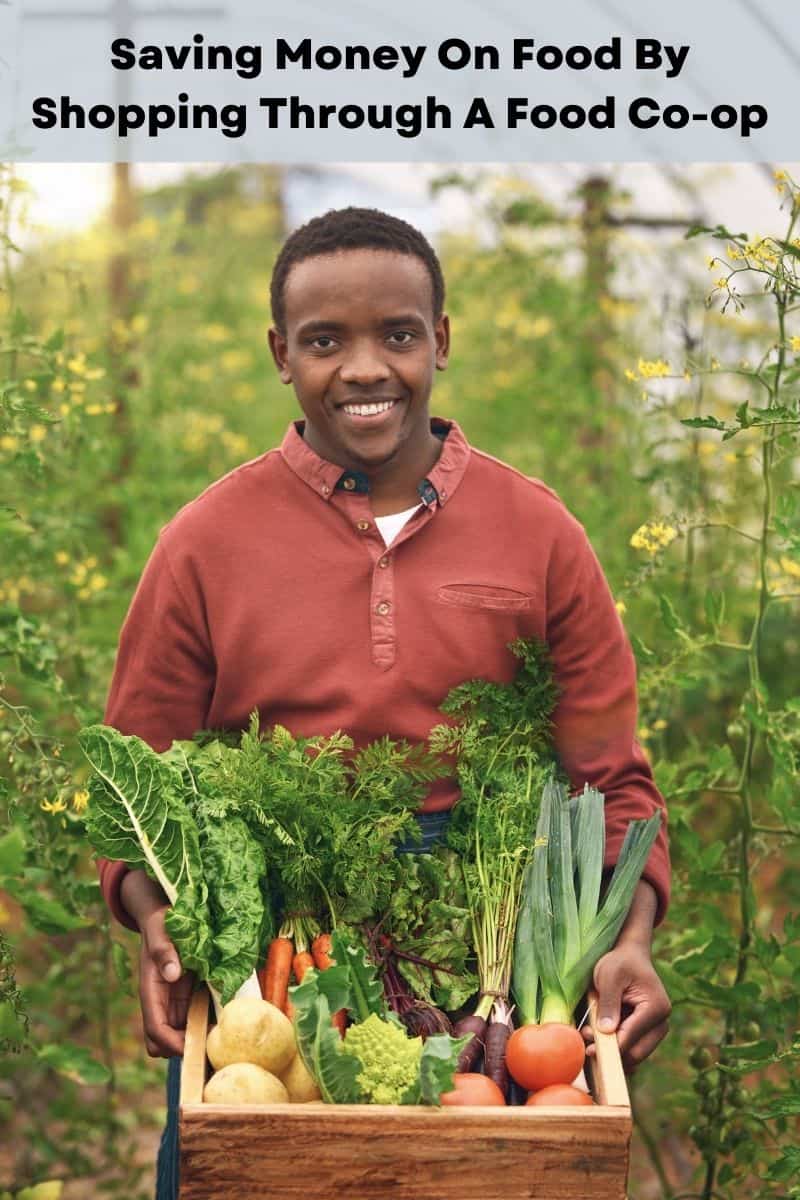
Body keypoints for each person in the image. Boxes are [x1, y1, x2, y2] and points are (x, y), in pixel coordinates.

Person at [97, 206, 671, 1196]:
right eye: (325, 341)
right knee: (252, 1162)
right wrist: (156, 915)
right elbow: (132, 788)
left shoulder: (536, 532)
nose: (364, 369)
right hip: (280, 937)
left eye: (397, 335)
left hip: (495, 905)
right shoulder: (205, 541)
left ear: (439, 341)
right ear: (281, 354)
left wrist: (626, 940)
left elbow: (611, 778)